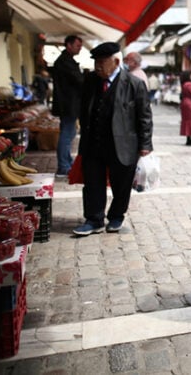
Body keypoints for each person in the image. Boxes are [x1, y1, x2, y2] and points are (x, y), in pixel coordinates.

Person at [73, 42, 153, 236]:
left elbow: (144, 116)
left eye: (102, 62)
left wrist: (145, 144)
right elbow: (84, 111)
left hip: (124, 143)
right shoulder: (91, 81)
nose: (97, 67)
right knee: (92, 182)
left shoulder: (134, 83)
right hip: (94, 142)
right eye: (96, 63)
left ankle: (117, 216)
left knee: (122, 183)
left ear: (116, 62)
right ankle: (94, 219)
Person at [51, 35, 84, 177]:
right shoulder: (64, 62)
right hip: (68, 104)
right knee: (67, 134)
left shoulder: (66, 60)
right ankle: (64, 166)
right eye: (77, 45)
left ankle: (67, 162)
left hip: (69, 103)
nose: (80, 48)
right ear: (68, 45)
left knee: (69, 133)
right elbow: (78, 80)